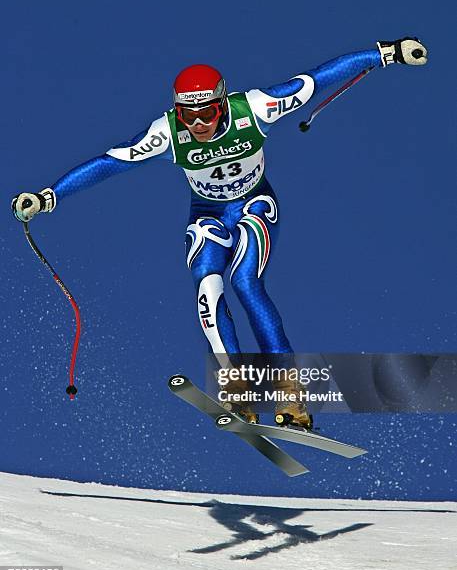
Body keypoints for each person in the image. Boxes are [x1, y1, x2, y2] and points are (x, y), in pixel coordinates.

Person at [12, 37, 428, 428]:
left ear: (222, 104)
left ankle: (287, 387)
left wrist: (387, 52)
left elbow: (319, 78)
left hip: (254, 205)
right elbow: (110, 161)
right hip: (208, 213)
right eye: (188, 116)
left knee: (245, 282)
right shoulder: (168, 133)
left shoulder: (255, 108)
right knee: (207, 288)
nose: (198, 125)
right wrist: (49, 196)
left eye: (207, 114)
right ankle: (236, 384)